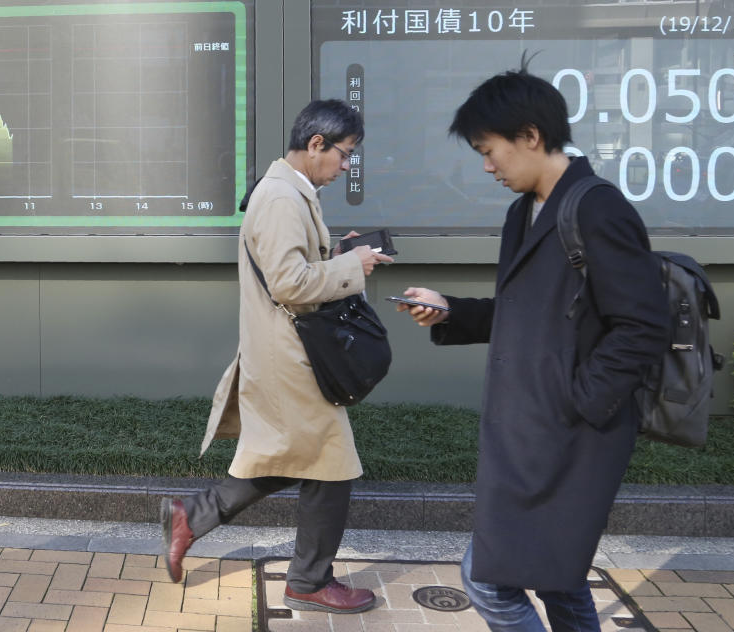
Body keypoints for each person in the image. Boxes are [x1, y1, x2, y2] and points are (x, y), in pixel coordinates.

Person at [395, 71, 669, 631]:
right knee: (558, 580)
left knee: (488, 580)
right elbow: (524, 312)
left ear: (530, 135)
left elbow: (642, 325)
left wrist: (579, 402)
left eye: (489, 151)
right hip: (534, 430)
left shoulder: (596, 209)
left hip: (571, 437)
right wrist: (450, 309)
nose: (487, 166)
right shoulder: (528, 210)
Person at [161, 99, 392, 614]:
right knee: (330, 464)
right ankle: (308, 581)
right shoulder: (283, 198)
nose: (347, 165)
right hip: (292, 359)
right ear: (316, 145)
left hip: (290, 355)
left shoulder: (288, 192)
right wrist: (351, 265)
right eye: (346, 154)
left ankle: (193, 517)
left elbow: (291, 268)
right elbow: (290, 283)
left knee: (301, 459)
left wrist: (337, 255)